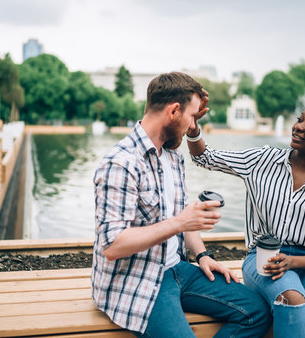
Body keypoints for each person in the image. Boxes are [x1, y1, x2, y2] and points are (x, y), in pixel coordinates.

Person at [92, 72, 271, 338]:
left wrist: (202, 256)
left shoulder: (173, 157)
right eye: (191, 117)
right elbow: (112, 246)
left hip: (178, 269)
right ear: (174, 111)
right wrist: (179, 223)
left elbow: (182, 214)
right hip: (137, 279)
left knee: (257, 312)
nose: (192, 127)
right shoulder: (121, 163)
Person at [187, 95, 305, 338]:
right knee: (293, 301)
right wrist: (193, 130)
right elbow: (205, 157)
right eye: (300, 120)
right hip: (265, 257)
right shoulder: (262, 160)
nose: (298, 126)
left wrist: (294, 262)